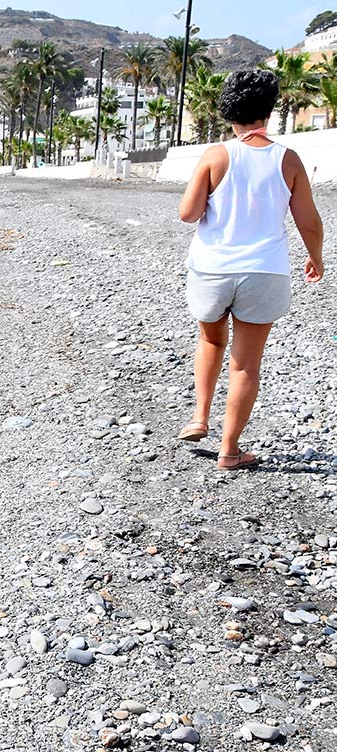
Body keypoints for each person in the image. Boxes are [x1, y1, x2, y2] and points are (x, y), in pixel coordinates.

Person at [176, 69, 325, 470]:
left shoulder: (216, 154)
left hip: (213, 268)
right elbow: (307, 220)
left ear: (229, 112)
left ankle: (200, 416)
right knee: (246, 362)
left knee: (210, 341)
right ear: (270, 112)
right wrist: (316, 256)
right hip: (266, 271)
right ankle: (229, 450)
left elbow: (188, 213)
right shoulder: (287, 159)